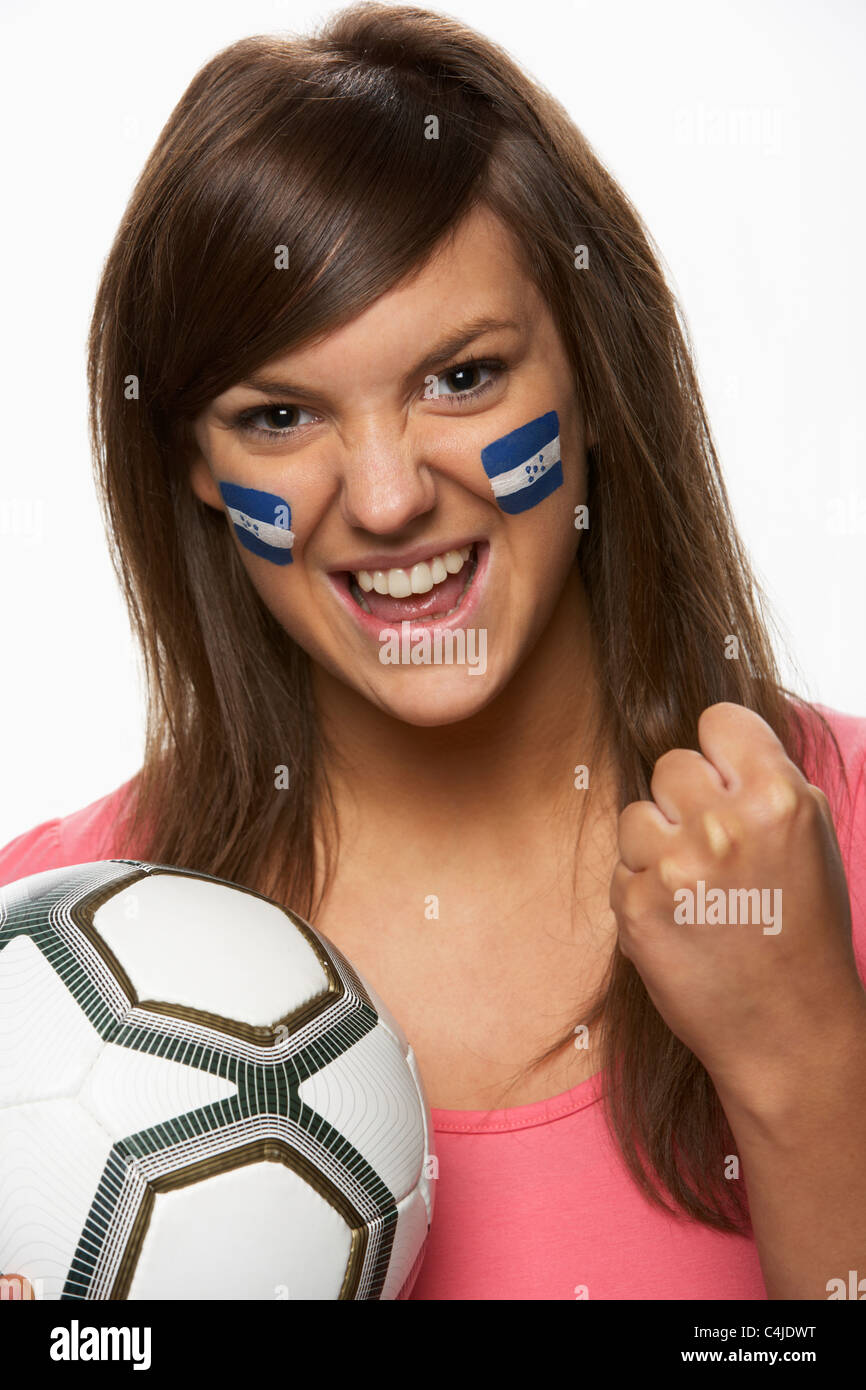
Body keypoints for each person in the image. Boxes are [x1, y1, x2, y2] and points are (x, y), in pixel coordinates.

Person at [2, 3, 864, 1300]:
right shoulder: (36, 975)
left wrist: (804, 1061)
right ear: (192, 462)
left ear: (589, 378)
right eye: (280, 412)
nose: (390, 494)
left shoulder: (830, 848)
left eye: (460, 377)